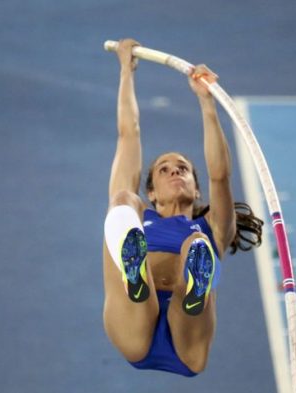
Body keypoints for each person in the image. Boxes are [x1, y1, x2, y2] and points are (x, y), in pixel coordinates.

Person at [103, 38, 263, 377]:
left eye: (184, 169)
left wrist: (207, 102)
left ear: (196, 188)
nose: (175, 171)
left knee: (198, 246)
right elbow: (127, 135)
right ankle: (136, 278)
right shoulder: (142, 213)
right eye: (164, 169)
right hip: (133, 323)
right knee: (121, 201)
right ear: (154, 194)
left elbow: (221, 176)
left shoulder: (214, 228)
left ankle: (192, 289)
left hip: (186, 340)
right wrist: (126, 72)